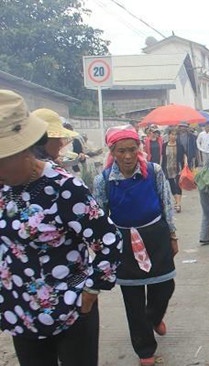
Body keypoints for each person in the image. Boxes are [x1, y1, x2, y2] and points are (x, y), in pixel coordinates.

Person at [0, 90, 122, 366]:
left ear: (24, 150)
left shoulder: (64, 189)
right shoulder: (3, 187)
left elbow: (110, 241)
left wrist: (91, 291)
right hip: (20, 312)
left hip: (71, 312)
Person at [93, 125, 178, 366]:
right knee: (133, 299)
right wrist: (103, 249)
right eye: (121, 151)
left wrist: (173, 235)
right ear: (113, 151)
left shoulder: (154, 171)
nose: (128, 156)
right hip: (123, 242)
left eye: (132, 149)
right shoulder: (104, 180)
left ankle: (153, 317)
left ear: (139, 148)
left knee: (165, 286)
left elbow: (167, 203)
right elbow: (99, 215)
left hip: (156, 236)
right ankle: (145, 349)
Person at [161, 128, 186, 213]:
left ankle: (178, 204)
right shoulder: (164, 145)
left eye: (175, 135)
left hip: (178, 168)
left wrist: (185, 164)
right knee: (172, 186)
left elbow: (184, 155)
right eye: (172, 134)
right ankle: (176, 200)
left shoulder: (179, 146)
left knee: (178, 185)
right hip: (168, 168)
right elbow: (162, 157)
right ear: (169, 135)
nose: (174, 136)